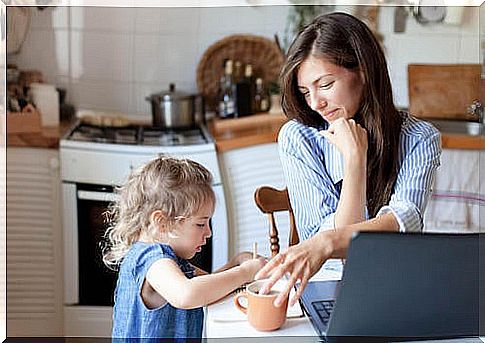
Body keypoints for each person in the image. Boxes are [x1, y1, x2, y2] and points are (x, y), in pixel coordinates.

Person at [255, 12, 441, 307]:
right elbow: (335, 257)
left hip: (395, 286)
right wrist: (355, 159)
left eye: (325, 85)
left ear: (363, 72)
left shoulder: (420, 138)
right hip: (328, 289)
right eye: (305, 92)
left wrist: (328, 241)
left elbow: (402, 222)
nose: (315, 103)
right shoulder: (298, 138)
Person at [103, 155, 266, 339]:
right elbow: (187, 294)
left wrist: (237, 263)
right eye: (200, 224)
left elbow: (209, 285)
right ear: (162, 222)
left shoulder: (171, 259)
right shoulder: (153, 260)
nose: (208, 233)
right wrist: (244, 272)